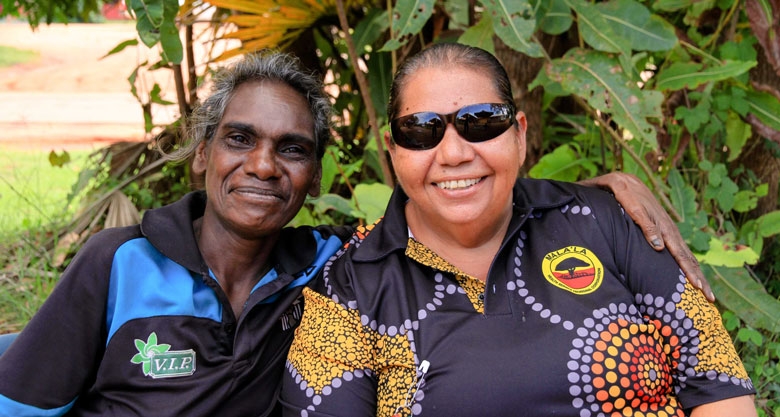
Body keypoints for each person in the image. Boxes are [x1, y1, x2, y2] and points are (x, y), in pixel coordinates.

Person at [0, 50, 714, 416]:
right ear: (202, 153)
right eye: (239, 139)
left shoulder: (331, 267)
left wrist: (598, 196)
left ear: (314, 172)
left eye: (292, 148)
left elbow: (447, 204)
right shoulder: (118, 263)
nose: (262, 166)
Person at [279, 43, 757, 416]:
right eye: (423, 130)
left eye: (480, 123)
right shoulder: (347, 289)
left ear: (520, 133)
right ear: (393, 148)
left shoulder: (608, 221)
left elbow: (716, 384)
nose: (453, 154)